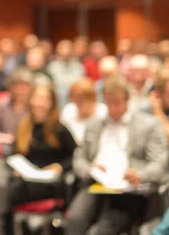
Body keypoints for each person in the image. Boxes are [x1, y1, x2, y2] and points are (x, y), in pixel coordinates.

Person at [65, 76, 167, 235]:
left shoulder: (148, 125)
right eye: (109, 102)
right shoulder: (94, 125)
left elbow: (160, 163)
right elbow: (79, 157)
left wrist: (140, 174)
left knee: (102, 230)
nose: (113, 108)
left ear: (127, 101)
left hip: (128, 189)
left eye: (117, 102)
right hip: (95, 184)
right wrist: (89, 168)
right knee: (74, 220)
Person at [0, 85, 77, 235]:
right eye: (37, 98)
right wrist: (15, 169)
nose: (40, 102)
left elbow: (75, 156)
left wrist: (60, 166)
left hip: (51, 182)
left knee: (11, 193)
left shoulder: (59, 129)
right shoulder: (24, 126)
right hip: (27, 180)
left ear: (51, 103)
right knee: (5, 190)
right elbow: (13, 155)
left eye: (45, 99)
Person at [0, 68, 33, 139]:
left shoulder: (34, 106)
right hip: (4, 144)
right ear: (11, 88)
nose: (20, 91)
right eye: (17, 87)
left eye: (24, 88)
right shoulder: (2, 104)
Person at [60, 78, 108, 145]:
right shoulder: (68, 110)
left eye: (83, 98)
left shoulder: (103, 111)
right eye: (76, 99)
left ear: (93, 98)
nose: (79, 102)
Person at [48, 40, 85, 107]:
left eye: (67, 48)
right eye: (62, 48)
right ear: (57, 50)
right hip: (58, 99)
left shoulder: (79, 66)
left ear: (72, 50)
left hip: (75, 98)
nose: (65, 51)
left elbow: (79, 83)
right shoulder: (52, 67)